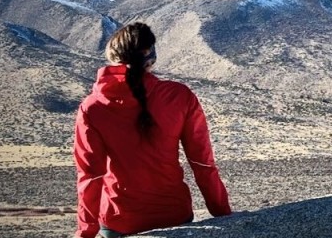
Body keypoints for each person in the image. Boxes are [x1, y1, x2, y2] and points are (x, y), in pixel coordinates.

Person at [74, 22, 232, 238]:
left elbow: (91, 176)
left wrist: (85, 233)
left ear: (114, 59)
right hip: (174, 214)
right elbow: (202, 162)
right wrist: (223, 213)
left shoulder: (92, 107)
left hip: (120, 220)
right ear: (151, 59)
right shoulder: (179, 96)